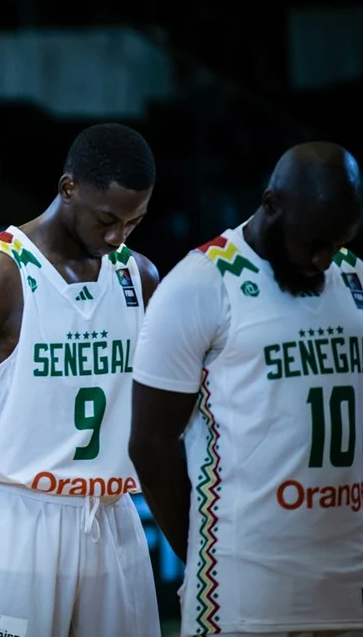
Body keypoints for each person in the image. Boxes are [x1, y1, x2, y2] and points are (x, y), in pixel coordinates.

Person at [0, 123, 162, 637]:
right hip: (16, 516)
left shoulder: (139, 276)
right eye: (107, 219)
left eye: (133, 223)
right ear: (68, 189)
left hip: (111, 514)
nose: (117, 237)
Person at [131, 142, 363, 637]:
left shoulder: (353, 276)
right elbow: (149, 445)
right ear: (272, 204)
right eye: (313, 242)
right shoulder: (200, 283)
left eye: (337, 243)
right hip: (243, 588)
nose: (324, 258)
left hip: (348, 584)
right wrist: (203, 552)